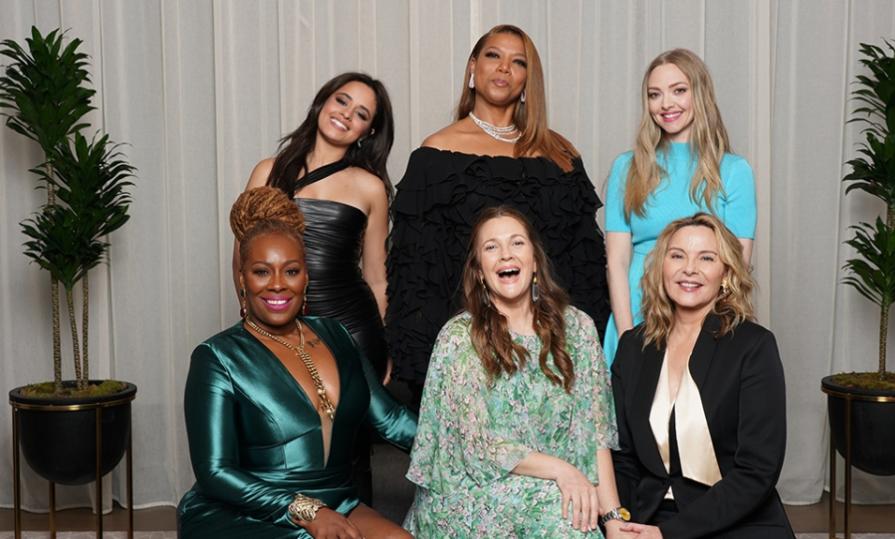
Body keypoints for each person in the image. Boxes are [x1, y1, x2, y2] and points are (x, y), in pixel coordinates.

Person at [386, 24, 609, 405]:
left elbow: (584, 268)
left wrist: (587, 350)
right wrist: (429, 366)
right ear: (472, 68)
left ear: (527, 81)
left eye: (517, 62)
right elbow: (417, 277)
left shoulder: (559, 154)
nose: (504, 68)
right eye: (493, 55)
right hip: (472, 346)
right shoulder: (436, 153)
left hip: (551, 346)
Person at [180, 187, 416, 539]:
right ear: (243, 279)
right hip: (246, 510)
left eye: (290, 271)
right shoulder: (217, 357)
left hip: (337, 501)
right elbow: (215, 473)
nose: (277, 285)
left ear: (306, 277)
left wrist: (465, 444)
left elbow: (391, 420)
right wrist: (306, 510)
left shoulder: (336, 335)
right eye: (262, 272)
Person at [403, 206, 627, 538]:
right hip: (468, 494)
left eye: (517, 243)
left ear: (535, 260)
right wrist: (562, 471)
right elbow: (476, 446)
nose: (506, 254)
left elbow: (595, 434)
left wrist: (613, 519)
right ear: (479, 270)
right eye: (491, 247)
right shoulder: (459, 337)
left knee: (575, 519)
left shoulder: (578, 328)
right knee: (565, 520)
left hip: (555, 487)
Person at [241, 72, 395, 504]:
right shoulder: (269, 172)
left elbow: (377, 275)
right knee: (281, 444)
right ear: (321, 102)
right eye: (341, 101)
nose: (346, 115)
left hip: (350, 331)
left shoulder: (370, 187)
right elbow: (243, 260)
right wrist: (249, 333)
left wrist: (385, 345)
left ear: (369, 131)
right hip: (276, 326)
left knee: (349, 452)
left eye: (361, 113)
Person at [610, 213, 794, 538]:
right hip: (650, 514)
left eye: (706, 258)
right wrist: (621, 522)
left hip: (736, 518)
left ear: (725, 273)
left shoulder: (754, 347)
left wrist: (669, 535)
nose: (689, 269)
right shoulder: (633, 347)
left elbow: (757, 471)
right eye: (677, 255)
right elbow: (622, 458)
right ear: (661, 268)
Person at [604, 49, 757, 365]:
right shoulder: (627, 167)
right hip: (635, 313)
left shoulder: (733, 171)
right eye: (654, 94)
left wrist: (713, 338)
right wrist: (624, 335)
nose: (666, 104)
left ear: (699, 94)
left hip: (704, 320)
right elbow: (616, 262)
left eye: (679, 90)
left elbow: (736, 267)